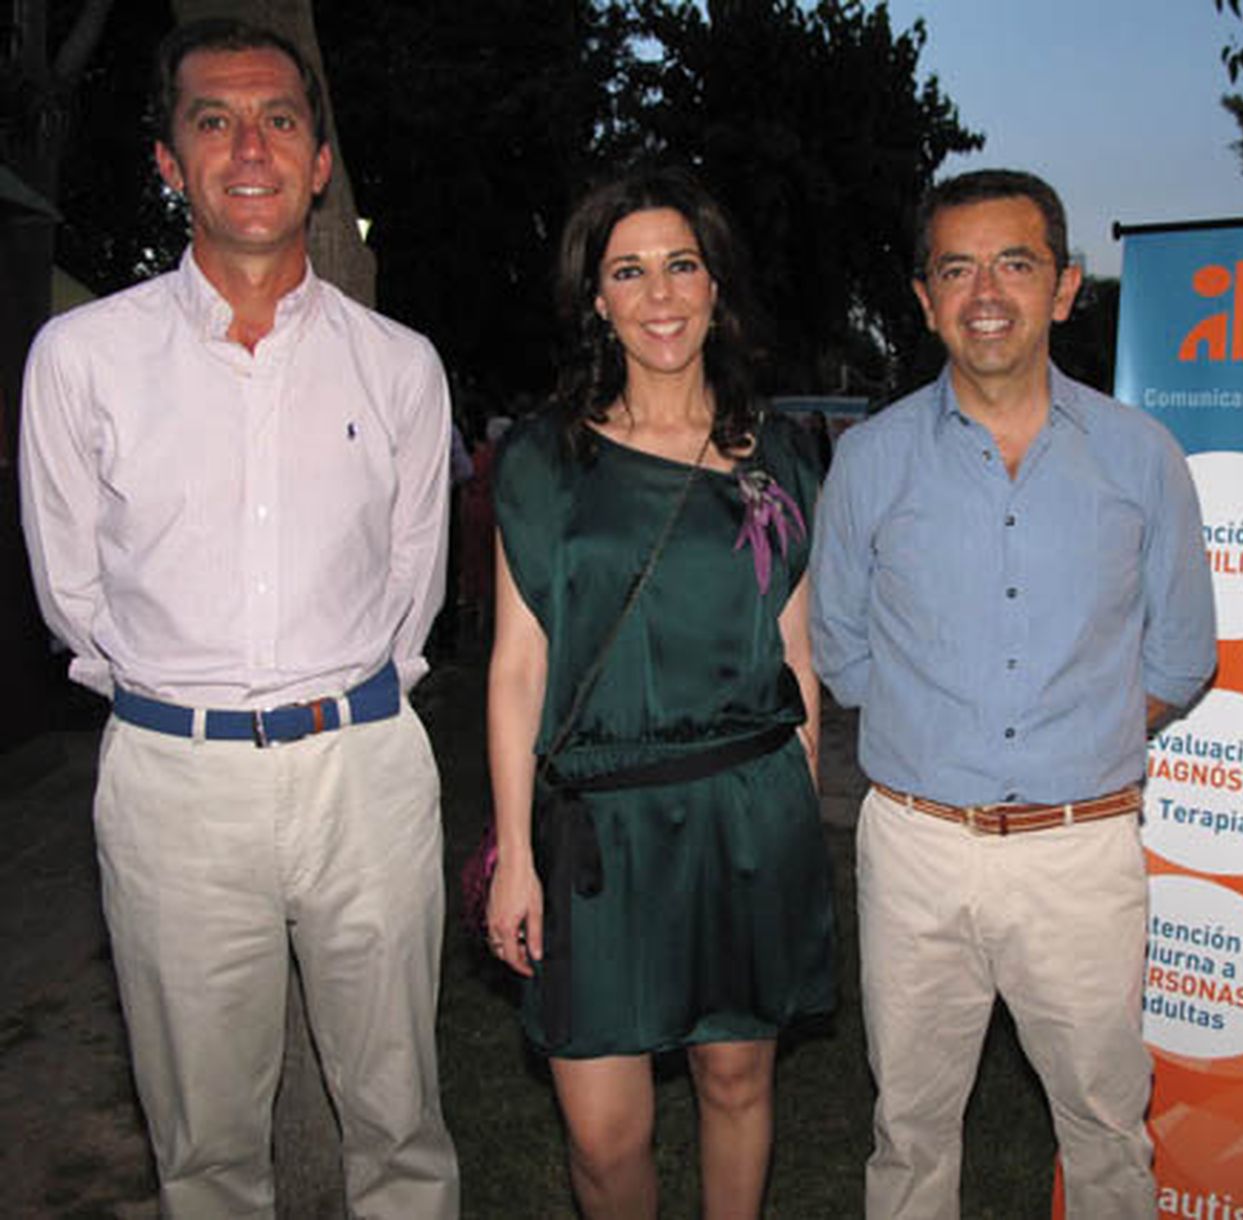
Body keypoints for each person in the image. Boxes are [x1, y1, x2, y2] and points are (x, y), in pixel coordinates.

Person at [18, 18, 458, 1218]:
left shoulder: (401, 366)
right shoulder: (81, 360)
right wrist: (182, 705)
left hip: (362, 769)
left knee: (401, 1126)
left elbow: (415, 583)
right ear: (170, 160)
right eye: (213, 119)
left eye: (279, 119)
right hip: (175, 783)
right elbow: (73, 594)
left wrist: (345, 704)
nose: (248, 145)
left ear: (320, 160)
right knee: (204, 1153)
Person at [811, 169, 1216, 1219]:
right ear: (924, 296)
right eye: (957, 267)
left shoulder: (1141, 457)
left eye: (1016, 263)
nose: (985, 290)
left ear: (1065, 286)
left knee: (1104, 1130)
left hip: (1079, 856)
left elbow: (1179, 657)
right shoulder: (869, 459)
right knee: (908, 1131)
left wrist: (1071, 742)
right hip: (913, 851)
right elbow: (842, 652)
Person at [484, 164, 835, 1219]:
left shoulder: (778, 455)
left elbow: (797, 655)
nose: (661, 294)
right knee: (605, 1136)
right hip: (599, 834)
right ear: (597, 298)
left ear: (715, 282)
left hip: (746, 809)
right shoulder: (546, 459)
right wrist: (514, 856)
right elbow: (515, 668)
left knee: (737, 1079)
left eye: (681, 264)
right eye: (628, 271)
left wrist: (798, 824)